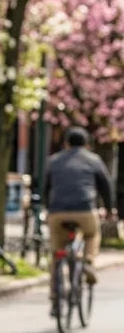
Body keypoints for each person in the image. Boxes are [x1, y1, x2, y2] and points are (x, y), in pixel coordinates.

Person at [42, 125, 113, 300]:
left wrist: (46, 207)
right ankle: (88, 261)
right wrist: (110, 210)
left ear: (66, 143)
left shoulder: (54, 160)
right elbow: (106, 186)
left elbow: (45, 187)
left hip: (57, 212)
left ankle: (55, 293)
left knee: (56, 252)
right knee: (92, 234)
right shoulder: (94, 160)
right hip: (85, 210)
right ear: (86, 144)